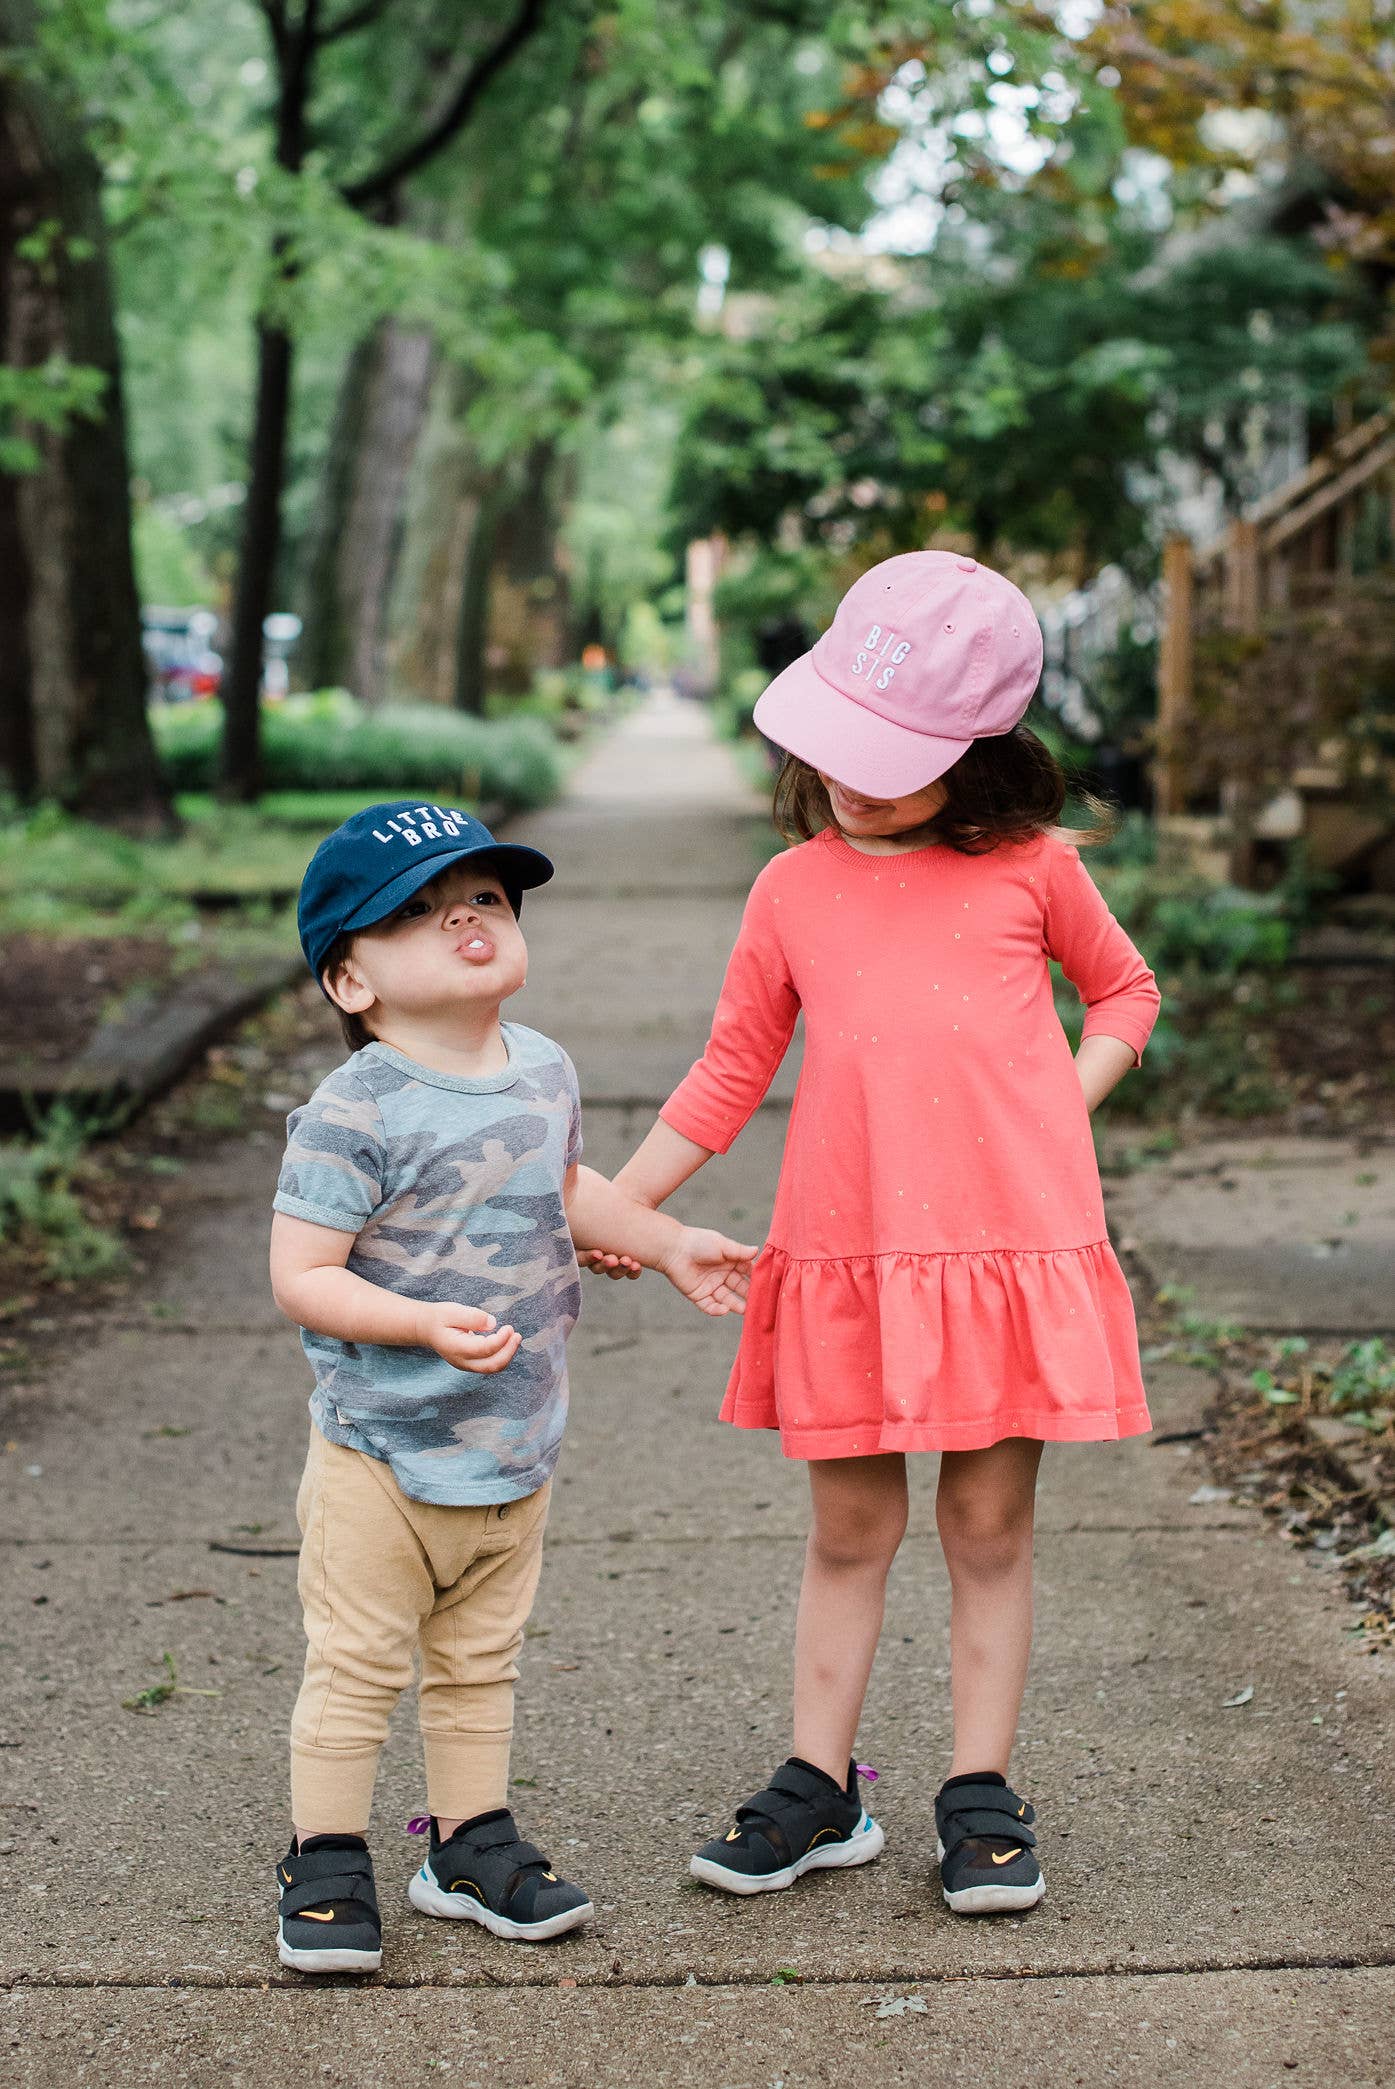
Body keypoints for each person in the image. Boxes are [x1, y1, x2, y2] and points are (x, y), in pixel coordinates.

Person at [583, 553, 1160, 1917]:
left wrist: (1057, 1107)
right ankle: (815, 1781)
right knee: (848, 1528)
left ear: (978, 753)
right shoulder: (791, 889)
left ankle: (976, 1791)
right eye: (841, 742)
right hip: (850, 1257)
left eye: (894, 757)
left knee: (985, 1519)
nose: (855, 776)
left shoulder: (1033, 869)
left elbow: (1121, 993)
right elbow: (727, 1075)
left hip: (1001, 1252)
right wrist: (624, 1199)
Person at [269, 801, 756, 1972]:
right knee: (358, 1665)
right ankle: (325, 1851)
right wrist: (414, 1322)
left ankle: (467, 1840)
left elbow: (564, 1184)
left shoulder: (542, 1068)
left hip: (513, 1441)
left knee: (481, 1664)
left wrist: (668, 1234)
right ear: (351, 981)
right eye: (421, 912)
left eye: (484, 897)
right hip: (379, 1452)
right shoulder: (357, 1108)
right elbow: (300, 1274)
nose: (467, 920)